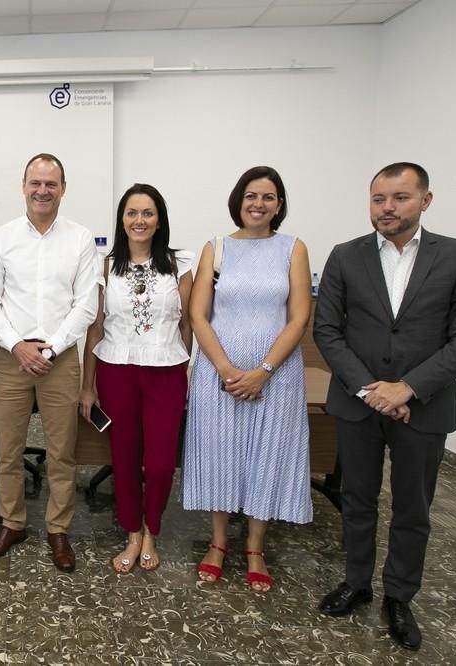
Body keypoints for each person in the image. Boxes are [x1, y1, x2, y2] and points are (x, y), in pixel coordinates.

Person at [314, 162, 456, 651]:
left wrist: (407, 388)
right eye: (378, 199)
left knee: (413, 507)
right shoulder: (345, 257)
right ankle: (356, 582)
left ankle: (400, 596)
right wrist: (372, 389)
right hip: (358, 403)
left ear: (425, 201)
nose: (387, 208)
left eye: (400, 197)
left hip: (424, 407)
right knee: (357, 499)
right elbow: (328, 330)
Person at [183, 166, 313, 593]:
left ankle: (255, 546)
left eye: (268, 197)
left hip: (275, 375)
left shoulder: (293, 248)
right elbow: (198, 315)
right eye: (251, 195)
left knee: (266, 455)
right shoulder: (216, 248)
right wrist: (223, 368)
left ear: (279, 204)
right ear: (238, 200)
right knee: (219, 453)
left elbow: (298, 318)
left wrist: (264, 372)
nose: (258, 204)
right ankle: (219, 543)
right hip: (218, 373)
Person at [0, 153, 99, 572]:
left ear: (63, 188)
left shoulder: (81, 239)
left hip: (60, 359)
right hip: (12, 358)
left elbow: (87, 305)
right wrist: (18, 347)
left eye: (51, 183)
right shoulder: (2, 238)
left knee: (61, 452)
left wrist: (51, 348)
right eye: (36, 182)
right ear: (23, 186)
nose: (42, 190)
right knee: (7, 451)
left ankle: (58, 529)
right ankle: (12, 523)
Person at [80, 184, 193, 573]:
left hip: (166, 373)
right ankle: (132, 533)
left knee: (161, 463)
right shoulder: (104, 265)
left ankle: (152, 530)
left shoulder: (181, 264)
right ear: (121, 220)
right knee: (124, 459)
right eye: (132, 213)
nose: (139, 220)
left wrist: (188, 372)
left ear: (159, 219)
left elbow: (189, 325)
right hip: (116, 371)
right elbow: (96, 329)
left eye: (147, 213)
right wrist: (87, 385)